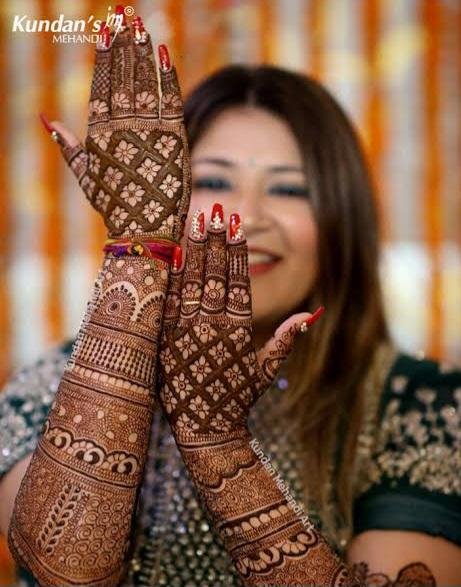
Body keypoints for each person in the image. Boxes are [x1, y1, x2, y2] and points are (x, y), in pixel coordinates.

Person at [0, 14, 460, 587]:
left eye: (290, 189)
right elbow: (66, 574)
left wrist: (218, 445)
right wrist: (139, 253)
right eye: (213, 183)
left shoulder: (417, 405)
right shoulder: (49, 386)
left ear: (342, 221)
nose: (245, 219)